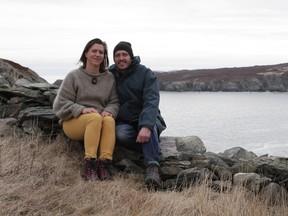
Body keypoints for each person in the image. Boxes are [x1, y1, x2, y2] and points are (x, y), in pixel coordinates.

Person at [53, 38, 119, 181]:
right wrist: (81, 109)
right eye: (94, 51)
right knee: (94, 117)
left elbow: (114, 102)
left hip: (98, 121)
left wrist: (109, 110)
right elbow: (59, 103)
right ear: (86, 54)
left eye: (101, 52)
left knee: (108, 120)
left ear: (104, 56)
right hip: (73, 122)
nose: (97, 54)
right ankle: (90, 166)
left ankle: (104, 164)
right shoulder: (74, 76)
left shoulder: (109, 78)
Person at [109, 41, 166, 188]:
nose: (121, 58)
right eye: (117, 55)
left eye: (124, 54)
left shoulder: (145, 73)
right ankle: (149, 145)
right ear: (114, 58)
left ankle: (153, 168)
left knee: (150, 128)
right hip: (124, 121)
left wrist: (146, 126)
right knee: (120, 134)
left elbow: (151, 100)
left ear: (131, 56)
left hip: (145, 117)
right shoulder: (110, 74)